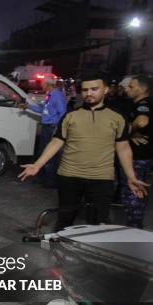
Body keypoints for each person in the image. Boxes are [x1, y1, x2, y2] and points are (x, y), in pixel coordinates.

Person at [19, 73, 149, 231]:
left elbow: (123, 148)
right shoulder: (70, 116)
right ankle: (58, 252)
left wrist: (131, 176)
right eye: (85, 90)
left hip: (101, 179)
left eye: (94, 89)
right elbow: (56, 142)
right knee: (64, 220)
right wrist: (38, 164)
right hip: (69, 176)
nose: (89, 93)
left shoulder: (117, 117)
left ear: (106, 89)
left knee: (96, 225)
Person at [21, 77, 67, 188]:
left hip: (52, 128)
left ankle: (50, 181)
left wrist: (58, 128)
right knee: (43, 153)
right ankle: (43, 178)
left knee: (50, 155)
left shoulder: (57, 95)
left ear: (48, 84)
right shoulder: (49, 94)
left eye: (42, 83)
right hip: (47, 127)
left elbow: (63, 113)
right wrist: (28, 106)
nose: (41, 85)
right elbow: (43, 110)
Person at [121, 75, 153, 228]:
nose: (128, 89)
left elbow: (142, 121)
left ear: (143, 89)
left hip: (138, 156)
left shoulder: (144, 104)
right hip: (143, 156)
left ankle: (134, 229)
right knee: (136, 191)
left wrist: (130, 131)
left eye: (132, 87)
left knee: (133, 193)